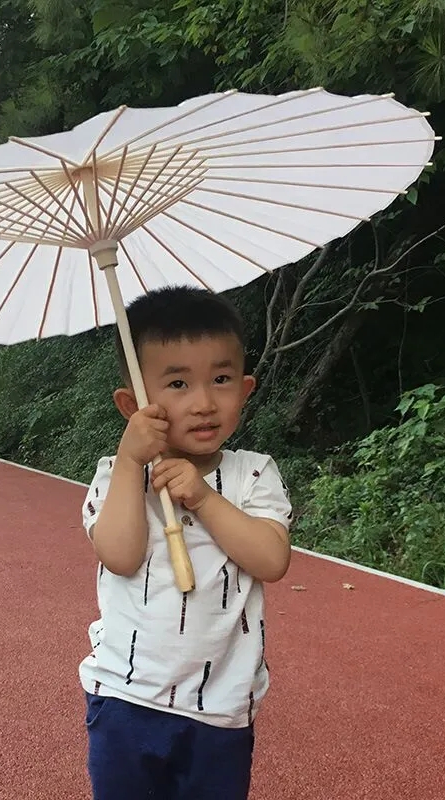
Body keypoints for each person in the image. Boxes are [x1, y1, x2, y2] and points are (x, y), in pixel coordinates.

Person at [79, 285, 293, 800]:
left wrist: (202, 497)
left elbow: (272, 558)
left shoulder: (253, 474)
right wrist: (132, 463)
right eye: (177, 383)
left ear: (244, 388)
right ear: (133, 406)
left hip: (220, 708)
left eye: (220, 379)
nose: (203, 403)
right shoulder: (115, 477)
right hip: (126, 697)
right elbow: (120, 554)